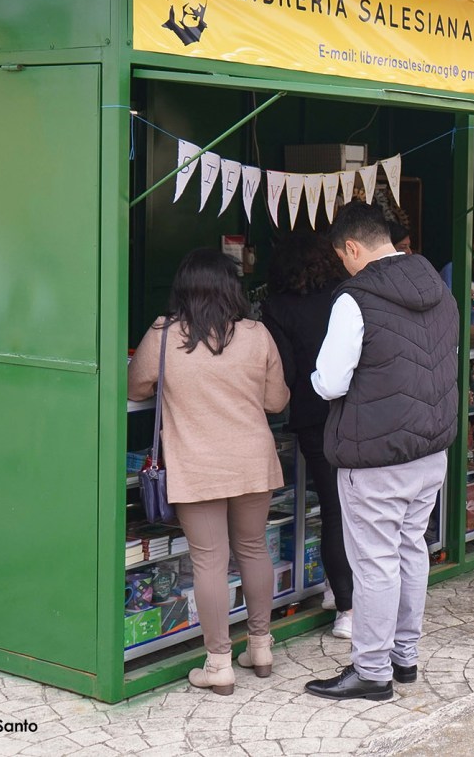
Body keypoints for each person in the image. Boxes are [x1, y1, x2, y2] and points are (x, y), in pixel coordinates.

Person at [304, 201, 459, 702]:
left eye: (342, 258)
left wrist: (310, 375)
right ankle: (404, 657)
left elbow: (329, 383)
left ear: (353, 247)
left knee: (374, 563)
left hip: (375, 458)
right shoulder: (439, 287)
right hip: (430, 452)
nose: (343, 268)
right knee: (412, 550)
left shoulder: (355, 299)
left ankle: (371, 672)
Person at [127, 249, 290, 695]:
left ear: (182, 288)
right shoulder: (256, 335)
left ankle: (219, 664)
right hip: (252, 462)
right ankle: (261, 647)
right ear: (231, 289)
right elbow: (277, 402)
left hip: (196, 464)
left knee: (210, 561)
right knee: (254, 549)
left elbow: (135, 386)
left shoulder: (163, 334)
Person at [261, 234, 354, 640]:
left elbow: (284, 373)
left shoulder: (277, 307)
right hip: (354, 411)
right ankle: (343, 596)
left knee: (333, 507)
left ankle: (344, 605)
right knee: (351, 508)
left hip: (311, 416)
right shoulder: (344, 297)